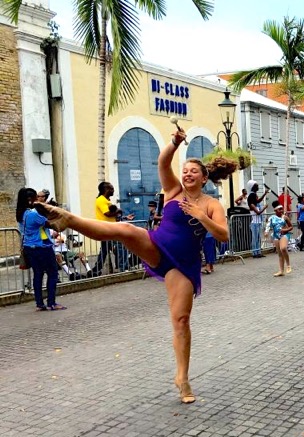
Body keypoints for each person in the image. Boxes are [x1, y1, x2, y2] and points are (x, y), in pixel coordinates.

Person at [33, 128, 236, 404]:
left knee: (181, 320)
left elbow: (223, 235)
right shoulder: (174, 190)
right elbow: (163, 163)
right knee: (125, 229)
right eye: (185, 170)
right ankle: (67, 218)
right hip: (156, 246)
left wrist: (201, 216)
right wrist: (175, 142)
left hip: (183, 264)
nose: (187, 174)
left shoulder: (212, 204)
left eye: (193, 171)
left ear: (204, 177)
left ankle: (183, 378)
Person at [16, 188, 66, 311]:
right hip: (42, 247)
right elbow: (51, 224)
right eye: (35, 198)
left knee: (38, 274)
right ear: (29, 200)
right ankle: (51, 303)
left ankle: (39, 303)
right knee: (52, 273)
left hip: (29, 247)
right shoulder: (33, 214)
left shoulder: (21, 214)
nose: (38, 200)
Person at [90, 181, 120, 276]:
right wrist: (119, 211)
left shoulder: (107, 200)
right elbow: (107, 213)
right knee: (112, 249)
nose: (113, 190)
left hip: (110, 229)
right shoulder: (101, 200)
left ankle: (96, 270)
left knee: (108, 250)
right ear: (106, 190)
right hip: (106, 229)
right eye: (111, 188)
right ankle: (124, 265)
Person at [266, 201, 293, 276]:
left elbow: (291, 227)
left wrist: (285, 230)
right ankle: (281, 271)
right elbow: (268, 225)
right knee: (280, 254)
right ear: (275, 210)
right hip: (276, 236)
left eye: (282, 209)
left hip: (284, 234)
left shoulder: (285, 217)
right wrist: (266, 232)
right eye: (279, 209)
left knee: (283, 248)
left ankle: (288, 265)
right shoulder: (272, 218)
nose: (281, 211)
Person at [247, 180, 269, 258]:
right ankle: (254, 253)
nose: (258, 187)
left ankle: (258, 252)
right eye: (256, 185)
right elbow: (258, 212)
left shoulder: (254, 200)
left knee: (258, 238)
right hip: (254, 222)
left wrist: (264, 194)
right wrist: (264, 208)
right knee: (255, 238)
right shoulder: (252, 203)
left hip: (258, 221)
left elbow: (258, 200)